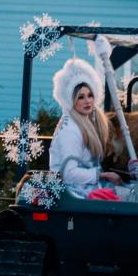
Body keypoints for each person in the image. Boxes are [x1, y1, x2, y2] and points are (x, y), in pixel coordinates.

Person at [49, 58, 124, 197]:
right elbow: (68, 174)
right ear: (71, 100)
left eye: (90, 95)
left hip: (87, 187)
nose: (87, 101)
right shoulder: (70, 130)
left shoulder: (86, 122)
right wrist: (102, 175)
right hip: (73, 193)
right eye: (81, 97)